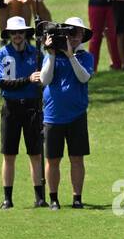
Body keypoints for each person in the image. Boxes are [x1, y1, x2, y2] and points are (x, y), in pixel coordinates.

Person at [39, 16, 94, 211]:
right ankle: (53, 199)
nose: (74, 37)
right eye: (70, 33)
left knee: (77, 158)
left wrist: (71, 56)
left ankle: (77, 198)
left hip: (76, 115)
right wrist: (52, 55)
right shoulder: (51, 55)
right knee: (52, 160)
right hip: (53, 116)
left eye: (77, 33)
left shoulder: (85, 57)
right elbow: (45, 79)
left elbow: (83, 77)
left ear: (82, 36)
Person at [0, 14, 45, 209]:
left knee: (35, 153)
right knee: (9, 154)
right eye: (13, 33)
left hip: (32, 106)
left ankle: (39, 197)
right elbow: (5, 83)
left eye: (20, 32)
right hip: (11, 108)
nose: (17, 36)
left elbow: (45, 74)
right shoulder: (3, 54)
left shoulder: (36, 53)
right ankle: (8, 198)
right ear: (9, 35)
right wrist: (29, 79)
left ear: (25, 34)